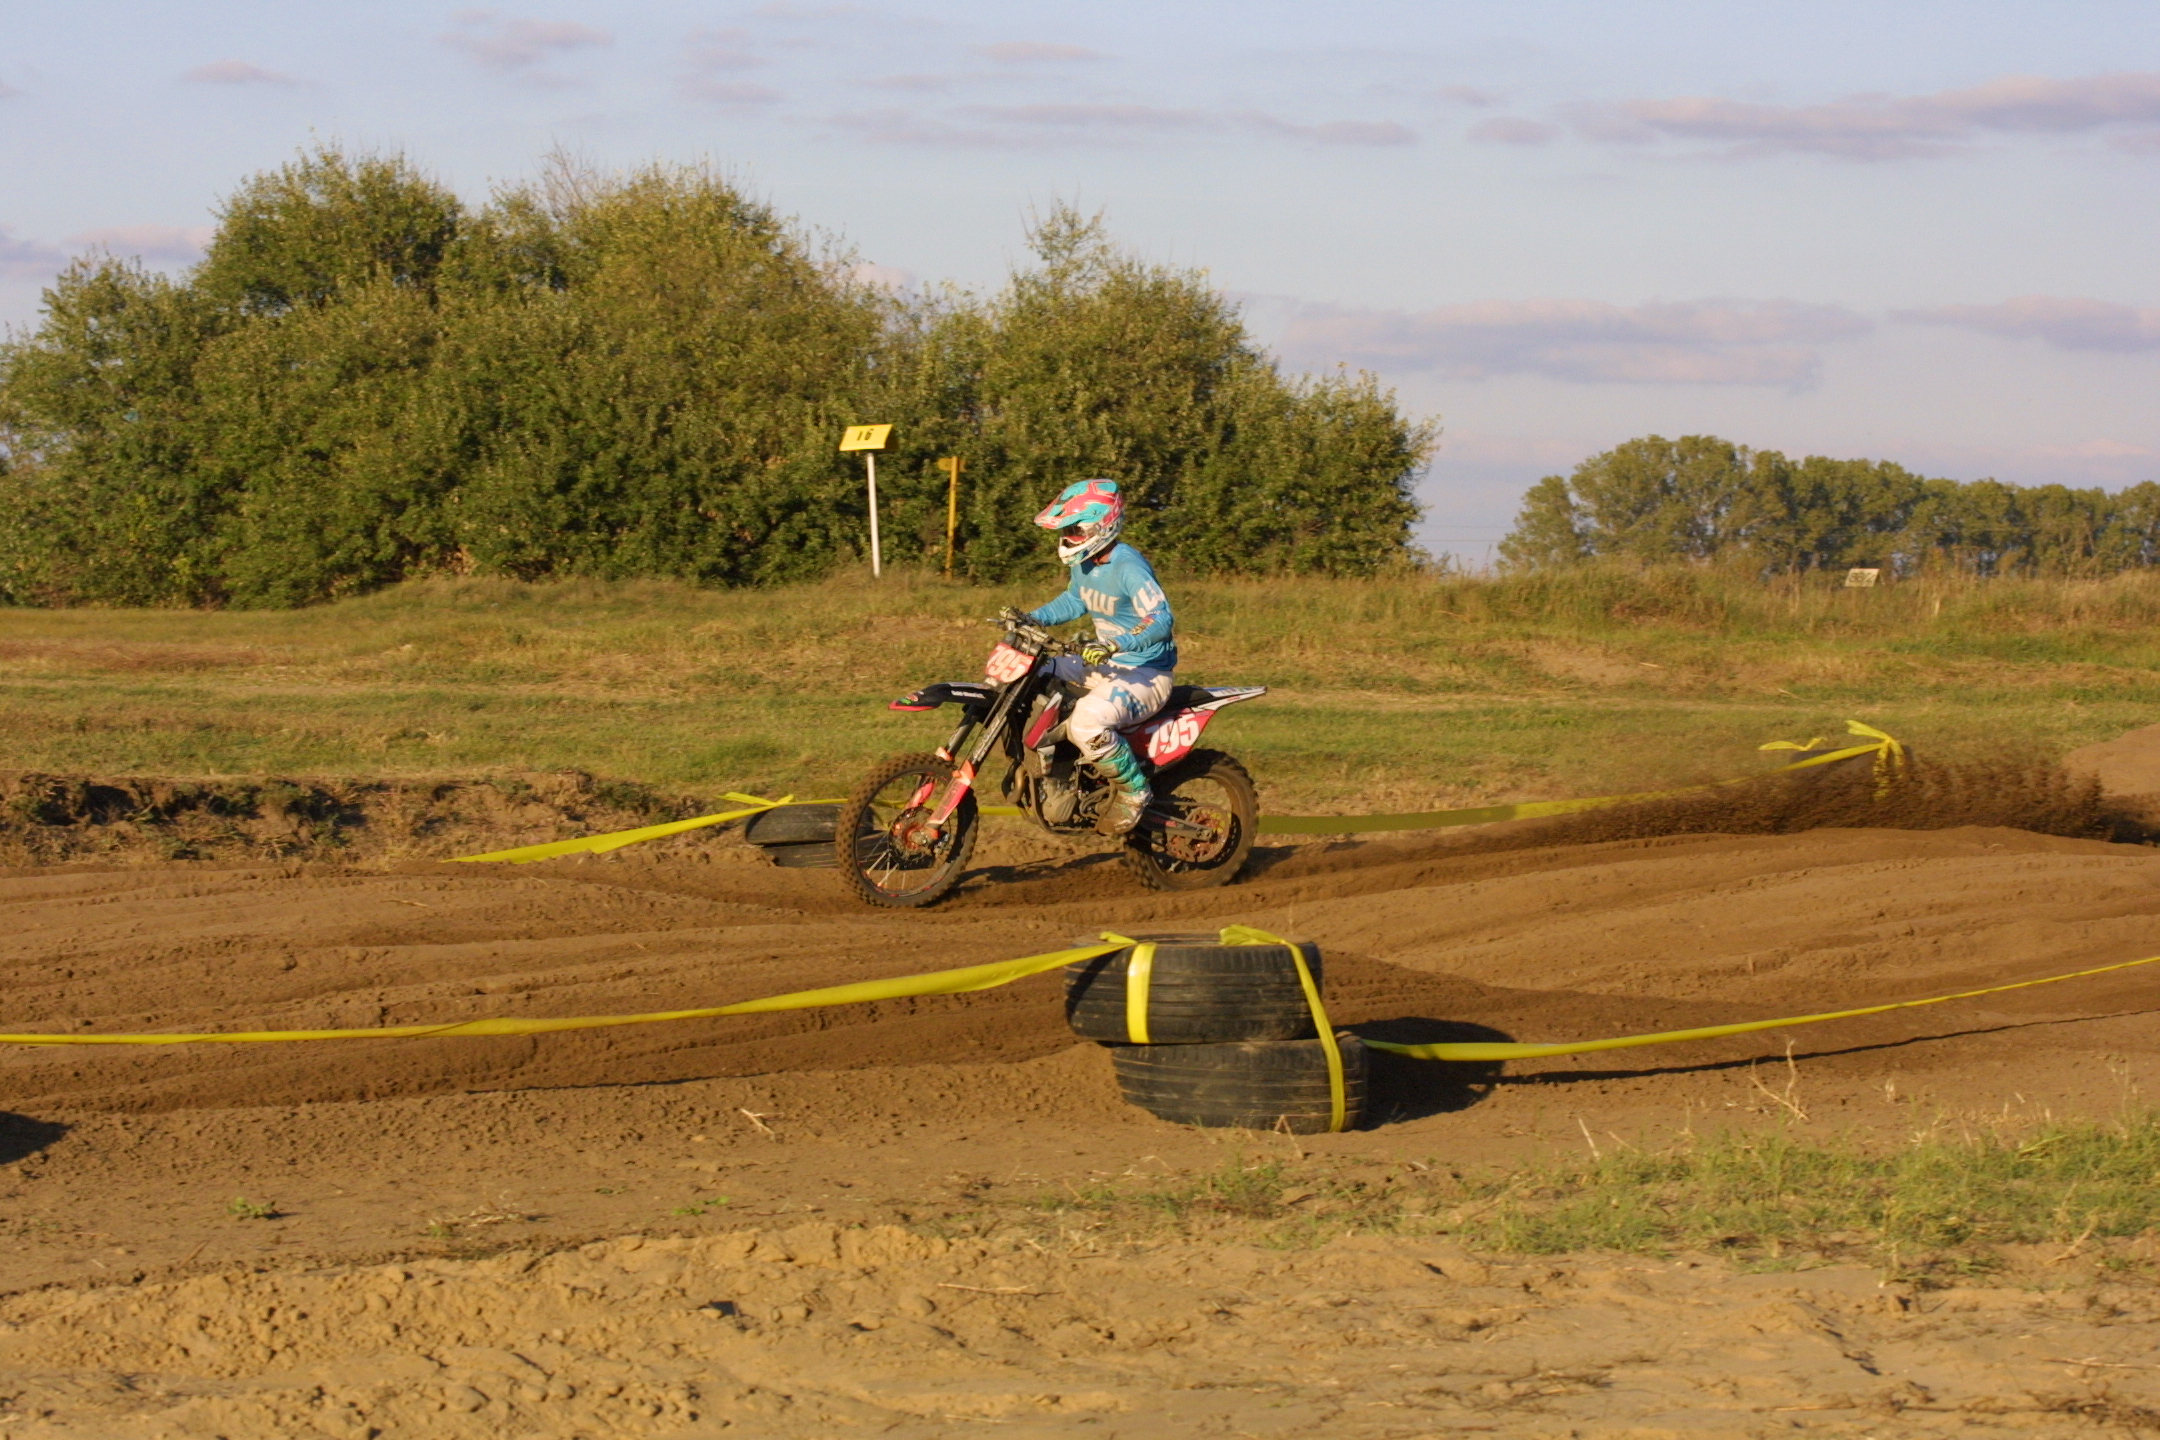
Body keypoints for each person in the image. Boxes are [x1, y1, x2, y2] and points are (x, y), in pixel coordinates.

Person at [1015, 478, 1176, 836]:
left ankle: (1135, 790)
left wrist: (1116, 644)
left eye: (1076, 530)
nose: (1069, 537)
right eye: (1067, 531)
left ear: (1102, 525)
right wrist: (1031, 619)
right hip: (1104, 663)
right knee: (1031, 671)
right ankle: (1054, 769)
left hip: (1145, 673)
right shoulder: (1084, 562)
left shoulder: (1128, 566)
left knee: (1086, 721)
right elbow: (1075, 600)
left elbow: (1161, 618)